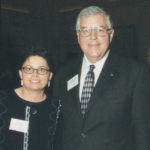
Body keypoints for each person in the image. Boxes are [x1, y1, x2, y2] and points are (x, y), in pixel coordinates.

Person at [53, 6, 150, 150]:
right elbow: (57, 127)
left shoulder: (135, 73)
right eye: (86, 30)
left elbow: (143, 134)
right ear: (78, 36)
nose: (93, 36)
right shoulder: (63, 73)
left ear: (111, 35)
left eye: (100, 30)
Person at [0, 47, 61, 150]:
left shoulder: (57, 107)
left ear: (50, 75)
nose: (35, 74)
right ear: (20, 73)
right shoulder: (3, 100)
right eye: (29, 69)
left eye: (41, 69)